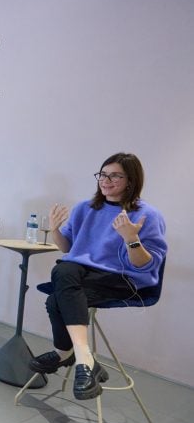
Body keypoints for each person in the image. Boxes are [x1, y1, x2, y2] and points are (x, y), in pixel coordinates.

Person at [29, 152, 167, 400]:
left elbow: (146, 265)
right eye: (103, 174)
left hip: (123, 280)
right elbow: (67, 248)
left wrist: (132, 239)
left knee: (56, 295)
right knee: (64, 268)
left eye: (115, 176)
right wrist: (55, 229)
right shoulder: (86, 208)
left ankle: (66, 353)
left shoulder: (147, 215)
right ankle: (85, 359)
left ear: (131, 181)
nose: (106, 180)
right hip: (82, 275)